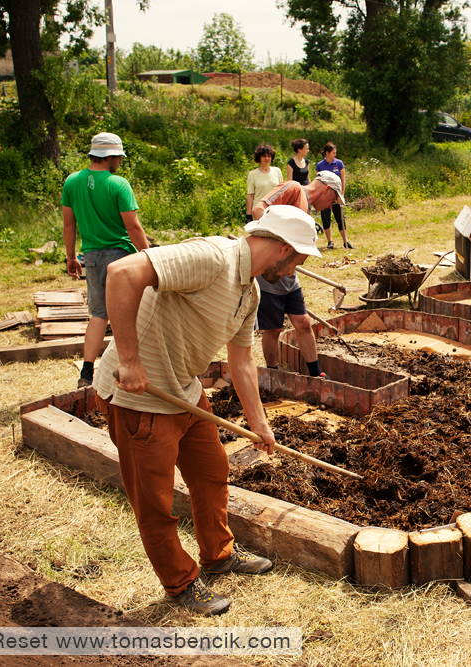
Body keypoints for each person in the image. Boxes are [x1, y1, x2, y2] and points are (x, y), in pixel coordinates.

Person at [91, 205, 322, 616]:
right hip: (141, 398)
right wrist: (129, 360)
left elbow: (242, 360)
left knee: (212, 471)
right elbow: (122, 273)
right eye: (298, 260)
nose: (295, 271)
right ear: (284, 249)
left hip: (184, 391)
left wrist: (260, 424)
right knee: (155, 501)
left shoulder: (250, 292)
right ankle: (181, 582)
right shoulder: (212, 257)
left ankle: (219, 555)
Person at [62, 132, 150, 389]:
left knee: (99, 315)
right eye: (119, 157)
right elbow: (133, 227)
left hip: (91, 256)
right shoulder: (118, 184)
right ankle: (134, 365)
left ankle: (86, 372)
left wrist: (71, 257)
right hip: (121, 256)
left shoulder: (72, 182)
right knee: (132, 314)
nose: (120, 162)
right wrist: (150, 255)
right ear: (109, 157)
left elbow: (69, 224)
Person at [251, 172, 344, 375]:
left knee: (303, 323)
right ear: (327, 189)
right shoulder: (293, 188)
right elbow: (258, 209)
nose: (330, 206)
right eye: (333, 200)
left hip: (289, 275)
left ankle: (315, 374)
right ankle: (274, 373)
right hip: (272, 272)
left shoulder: (306, 211)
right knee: (274, 329)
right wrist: (280, 244)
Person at [316, 142, 353, 249]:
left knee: (340, 218)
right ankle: (330, 242)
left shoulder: (339, 163)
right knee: (326, 218)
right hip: (325, 196)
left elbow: (343, 180)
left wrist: (341, 194)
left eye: (336, 153)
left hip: (337, 195)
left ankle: (346, 242)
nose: (335, 154)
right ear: (327, 153)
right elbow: (318, 181)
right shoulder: (320, 165)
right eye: (333, 152)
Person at [246, 144, 281, 223]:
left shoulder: (277, 171)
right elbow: (250, 195)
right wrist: (248, 214)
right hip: (259, 210)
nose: (267, 158)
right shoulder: (252, 174)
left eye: (269, 156)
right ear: (259, 157)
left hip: (275, 209)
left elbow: (281, 192)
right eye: (264, 156)